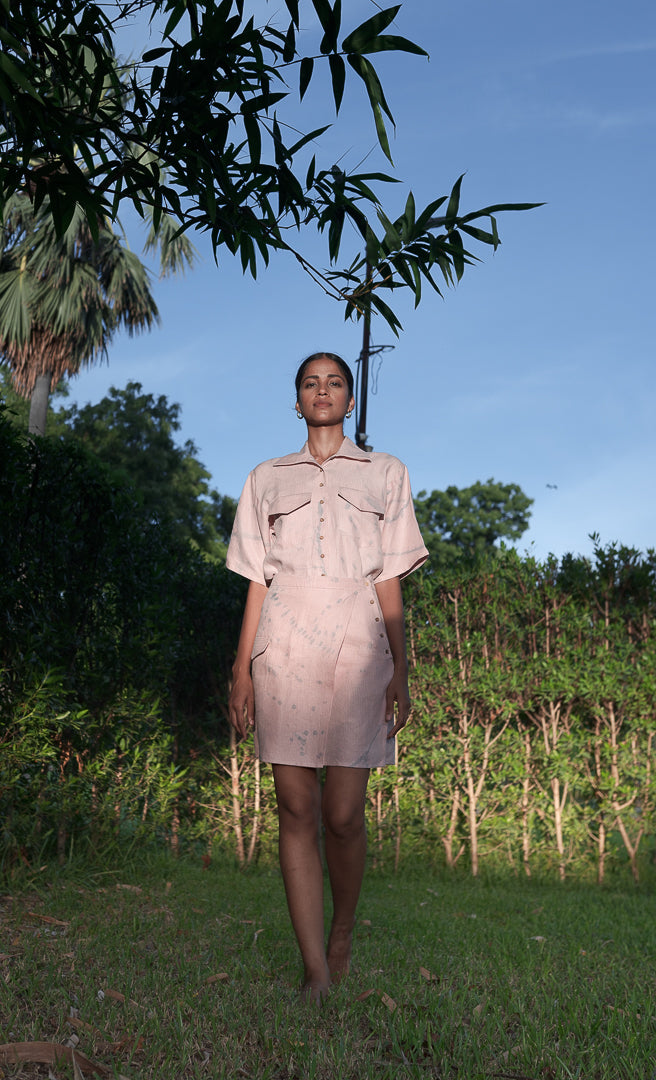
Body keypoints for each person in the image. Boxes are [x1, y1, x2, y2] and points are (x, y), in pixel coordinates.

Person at [226, 352, 428, 1002]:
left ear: (350, 400)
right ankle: (314, 968)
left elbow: (390, 578)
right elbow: (257, 580)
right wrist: (241, 669)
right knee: (295, 807)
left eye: (335, 382)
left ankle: (343, 927)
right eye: (311, 383)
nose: (323, 390)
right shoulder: (265, 478)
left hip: (358, 646)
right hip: (283, 644)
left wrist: (400, 667)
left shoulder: (385, 472)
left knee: (342, 815)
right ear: (297, 401)